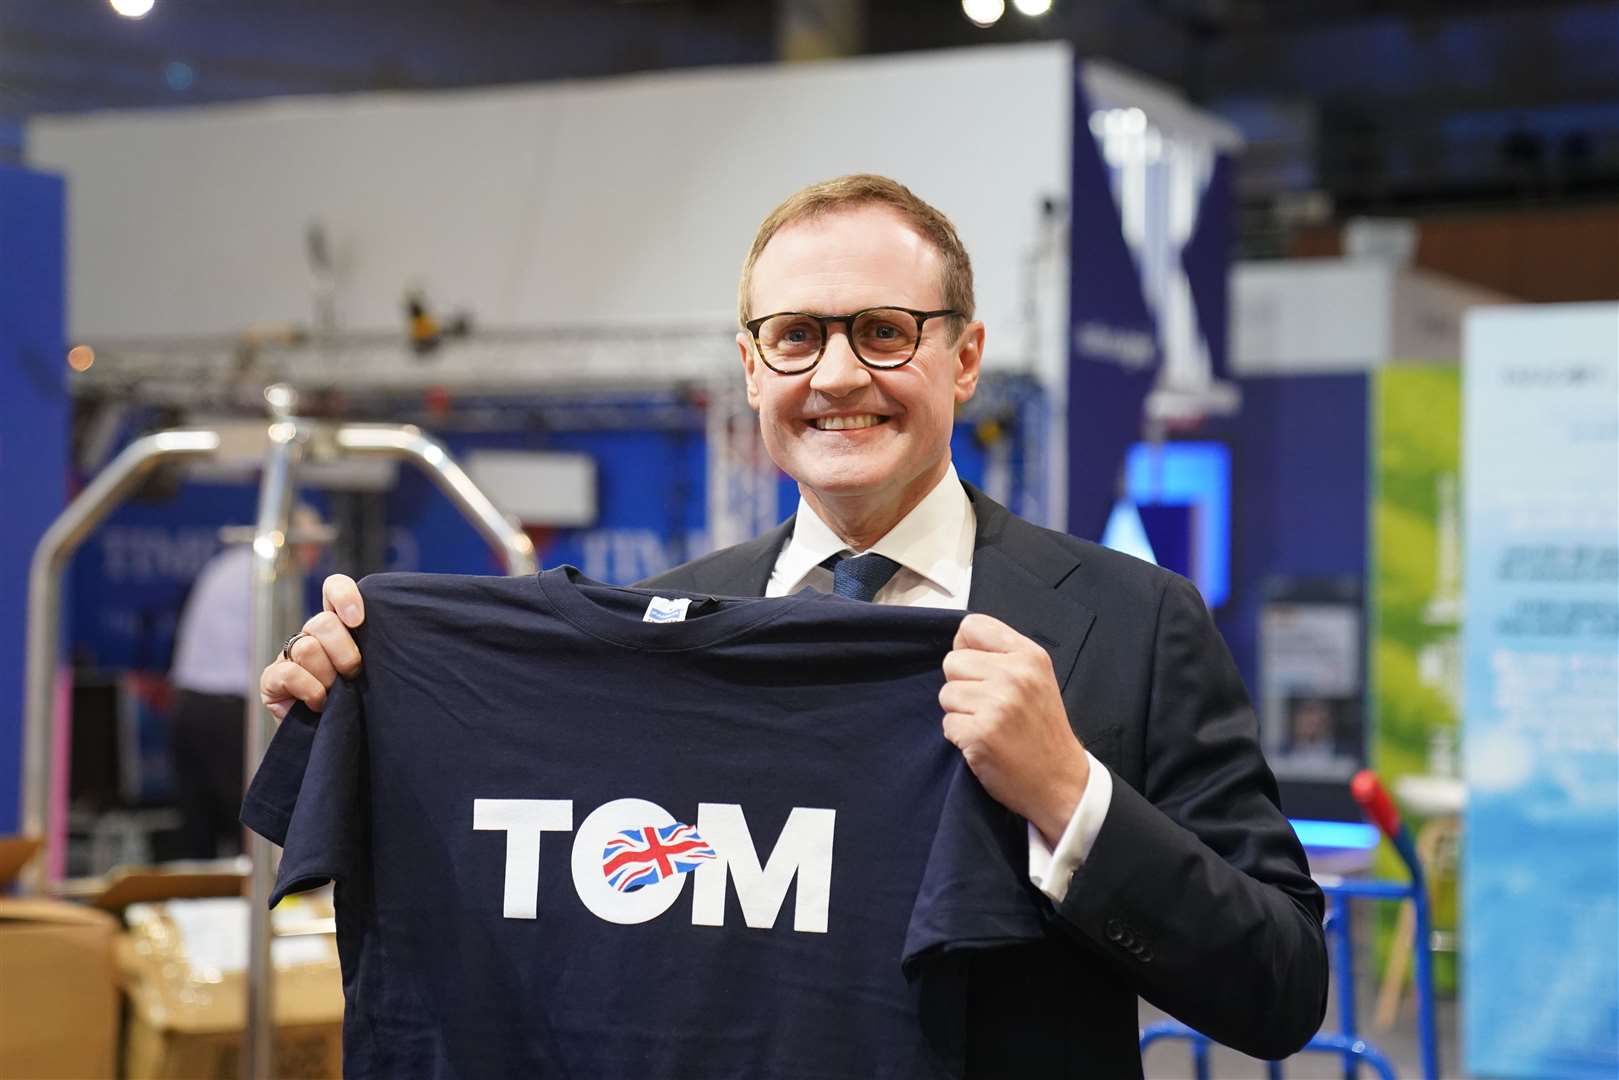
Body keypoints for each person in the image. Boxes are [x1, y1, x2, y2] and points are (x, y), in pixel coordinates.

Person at [258, 175, 1327, 1073]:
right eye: (795, 337)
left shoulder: (1127, 623)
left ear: (963, 359)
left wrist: (1066, 795)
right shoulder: (653, 637)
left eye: (882, 332)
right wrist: (371, 696)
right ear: (749, 368)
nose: (836, 375)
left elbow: (1279, 988)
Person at [170, 503, 323, 858]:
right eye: (314, 546)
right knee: (254, 827)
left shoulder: (227, 566)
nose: (317, 556)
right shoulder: (272, 576)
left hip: (189, 708)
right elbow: (286, 657)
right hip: (228, 714)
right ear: (296, 542)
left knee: (199, 834)